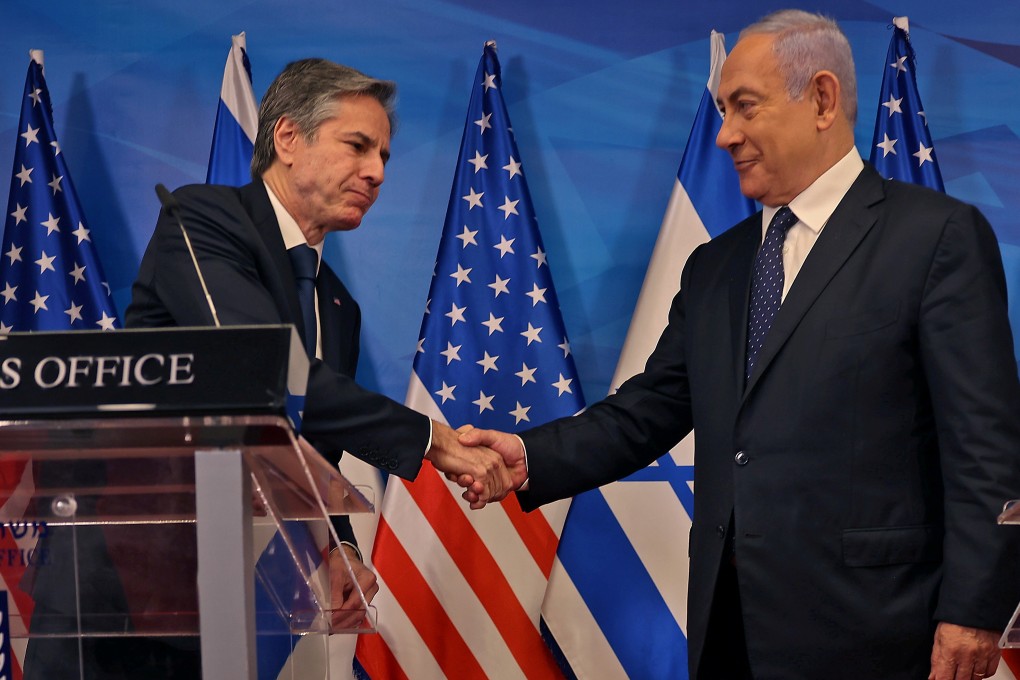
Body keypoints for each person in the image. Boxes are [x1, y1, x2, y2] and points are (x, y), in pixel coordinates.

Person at [458, 10, 1020, 680]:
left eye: (744, 107)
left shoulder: (934, 236)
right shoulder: (715, 267)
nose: (725, 135)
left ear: (821, 99)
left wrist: (975, 610)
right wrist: (530, 455)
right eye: (722, 111)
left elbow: (987, 446)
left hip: (878, 631)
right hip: (730, 630)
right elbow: (649, 409)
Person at [23, 59, 511, 679]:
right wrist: (432, 439)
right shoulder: (201, 222)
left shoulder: (339, 306)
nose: (377, 172)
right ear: (287, 138)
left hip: (221, 600)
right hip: (112, 593)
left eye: (384, 156)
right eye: (357, 146)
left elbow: (315, 451)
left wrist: (337, 549)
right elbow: (267, 373)